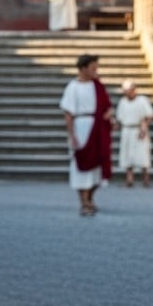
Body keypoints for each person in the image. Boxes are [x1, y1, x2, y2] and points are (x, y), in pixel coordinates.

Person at [60, 54, 113, 216]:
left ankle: (89, 198)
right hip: (81, 127)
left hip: (97, 127)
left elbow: (107, 106)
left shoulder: (98, 86)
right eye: (93, 68)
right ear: (83, 68)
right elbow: (68, 113)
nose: (95, 71)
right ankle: (84, 202)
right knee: (82, 163)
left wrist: (110, 116)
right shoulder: (73, 87)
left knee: (98, 163)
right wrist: (72, 135)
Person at [114, 79, 153, 188]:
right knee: (127, 155)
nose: (126, 93)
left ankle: (146, 180)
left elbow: (150, 115)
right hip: (127, 130)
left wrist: (144, 128)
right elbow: (119, 118)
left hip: (139, 129)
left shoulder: (142, 100)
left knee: (143, 155)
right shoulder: (122, 102)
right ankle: (129, 179)